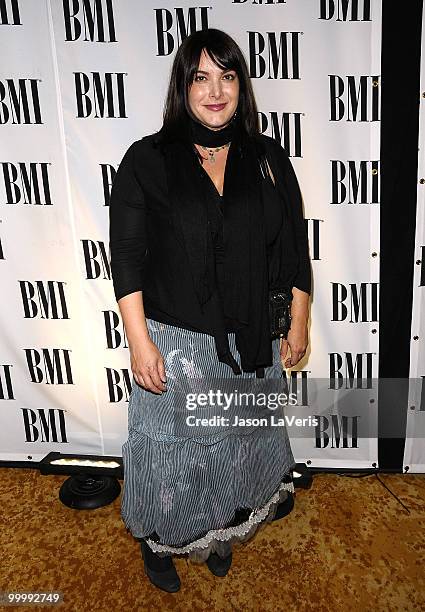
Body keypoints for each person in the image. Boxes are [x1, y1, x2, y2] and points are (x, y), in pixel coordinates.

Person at [109, 28, 311, 593]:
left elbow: (293, 243)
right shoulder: (147, 160)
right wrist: (138, 340)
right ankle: (160, 542)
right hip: (176, 343)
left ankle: (218, 528)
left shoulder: (268, 157)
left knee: (236, 445)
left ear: (242, 87)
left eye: (228, 76)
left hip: (250, 340)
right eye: (202, 77)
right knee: (177, 458)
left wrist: (297, 320)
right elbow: (126, 258)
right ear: (183, 86)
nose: (216, 90)